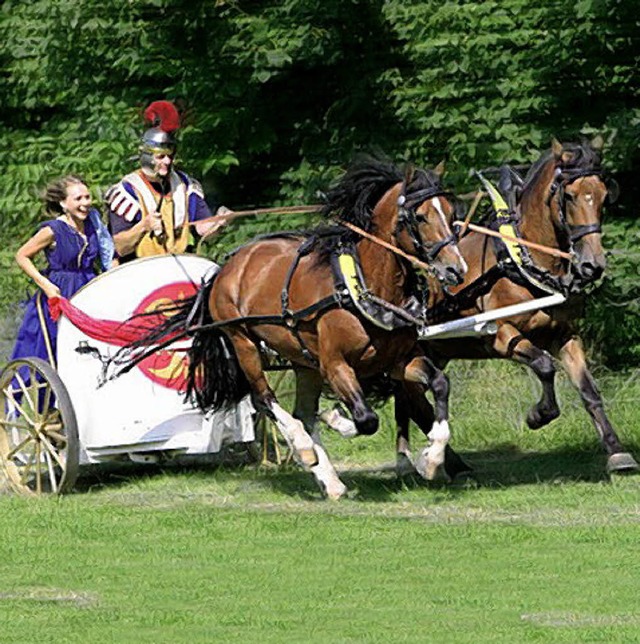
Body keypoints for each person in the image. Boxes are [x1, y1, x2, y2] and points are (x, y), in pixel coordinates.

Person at [106, 100, 229, 263]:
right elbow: (120, 247)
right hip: (139, 270)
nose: (167, 162)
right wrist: (144, 226)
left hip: (179, 265)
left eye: (170, 156)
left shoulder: (185, 186)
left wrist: (219, 222)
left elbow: (202, 228)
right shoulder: (127, 191)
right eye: (161, 157)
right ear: (147, 156)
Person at [10, 175, 114, 367]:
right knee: (52, 345)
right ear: (63, 203)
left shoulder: (92, 225)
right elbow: (22, 256)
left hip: (87, 287)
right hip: (60, 290)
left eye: (87, 197)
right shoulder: (53, 230)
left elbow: (108, 255)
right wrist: (46, 285)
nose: (85, 203)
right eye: (78, 199)